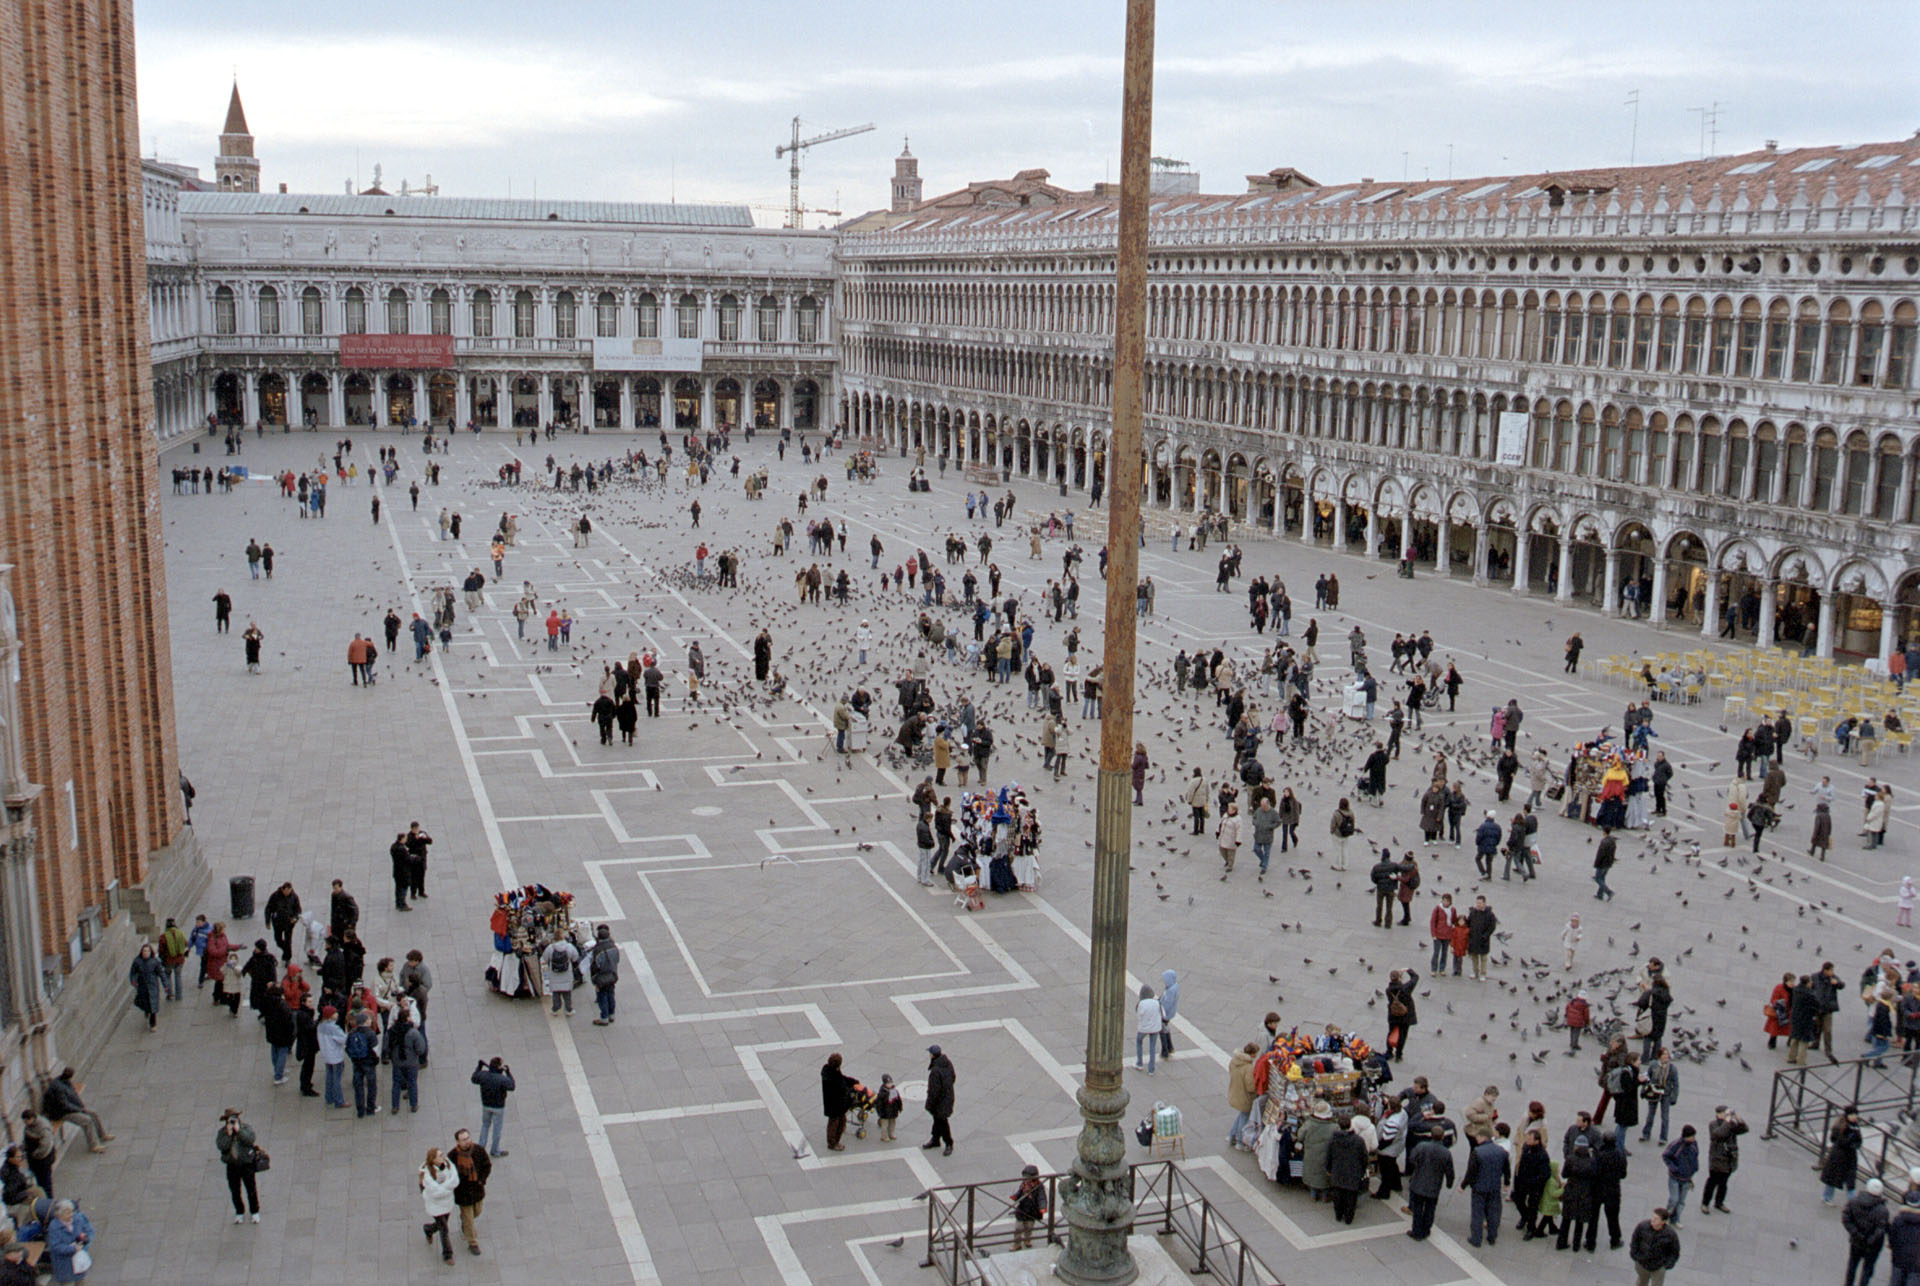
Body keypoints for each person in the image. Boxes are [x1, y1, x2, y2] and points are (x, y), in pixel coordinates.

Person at [41, 1069, 109, 1153]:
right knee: (87, 1121)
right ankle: (94, 1145)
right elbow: (64, 1105)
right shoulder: (59, 1088)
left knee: (93, 1113)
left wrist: (81, 1108)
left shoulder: (63, 1081)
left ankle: (102, 1135)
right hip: (62, 1113)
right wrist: (80, 1110)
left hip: (71, 1108)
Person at [1405, 1126, 1455, 1241]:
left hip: (1418, 1183)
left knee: (1417, 1209)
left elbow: (1412, 1158)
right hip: (1434, 1186)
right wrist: (1449, 1183)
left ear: (1430, 1135)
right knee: (1430, 1209)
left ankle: (1416, 1231)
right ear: (1442, 1137)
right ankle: (1426, 1230)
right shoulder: (1446, 1153)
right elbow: (1449, 1171)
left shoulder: (1421, 1146)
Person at [1462, 1129, 1510, 1247]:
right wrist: (1507, 1182)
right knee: (1493, 1212)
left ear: (1484, 1137)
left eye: (1478, 1137)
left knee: (1477, 1213)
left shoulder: (1477, 1152)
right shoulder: (1502, 1152)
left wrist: (1463, 1185)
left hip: (1479, 1187)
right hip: (1494, 1187)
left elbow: (1471, 1172)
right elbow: (1506, 1169)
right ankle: (1492, 1237)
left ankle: (1476, 1239)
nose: (1476, 1139)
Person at [216, 1107, 264, 1225]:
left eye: (234, 1120)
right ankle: (239, 1212)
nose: (231, 1122)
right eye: (229, 1120)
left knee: (251, 1189)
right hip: (232, 1165)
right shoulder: (223, 1133)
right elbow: (222, 1146)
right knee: (235, 1190)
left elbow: (250, 1139)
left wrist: (239, 1131)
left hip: (246, 1163)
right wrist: (228, 1134)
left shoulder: (245, 1128)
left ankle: (254, 1212)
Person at [1700, 1105, 1747, 1215]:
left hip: (1729, 1160)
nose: (1726, 1116)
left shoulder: (1730, 1124)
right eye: (1724, 1113)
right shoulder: (1713, 1125)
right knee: (1712, 1182)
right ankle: (1705, 1203)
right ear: (1718, 1114)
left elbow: (1744, 1129)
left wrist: (1737, 1117)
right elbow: (1719, 1134)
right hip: (1717, 1159)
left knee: (1723, 1183)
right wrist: (1727, 1121)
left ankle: (1719, 1202)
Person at [419, 1147, 458, 1265]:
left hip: (447, 1203)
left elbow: (455, 1180)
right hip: (435, 1205)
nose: (443, 1157)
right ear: (433, 1159)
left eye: (442, 1154)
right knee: (444, 1229)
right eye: (439, 1156)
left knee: (441, 1225)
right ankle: (447, 1254)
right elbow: (435, 1192)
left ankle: (428, 1229)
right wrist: (447, 1188)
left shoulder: (448, 1165)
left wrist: (444, 1188)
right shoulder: (426, 1173)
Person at [43, 1199, 94, 1283]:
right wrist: (73, 1249)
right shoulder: (54, 1227)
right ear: (59, 1215)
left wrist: (86, 1240)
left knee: (81, 1282)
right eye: (68, 1213)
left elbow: (89, 1230)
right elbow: (56, 1246)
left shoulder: (78, 1218)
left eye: (72, 1211)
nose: (71, 1215)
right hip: (65, 1265)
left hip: (79, 1262)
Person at [1328, 1119, 1369, 1224]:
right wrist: (1362, 1170)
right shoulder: (1358, 1140)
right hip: (1353, 1172)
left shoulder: (1334, 1139)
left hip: (1338, 1171)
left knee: (1338, 1196)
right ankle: (1348, 1218)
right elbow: (1364, 1157)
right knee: (1351, 1197)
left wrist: (1329, 1169)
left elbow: (1329, 1155)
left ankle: (1338, 1215)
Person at [472, 1057, 515, 1157]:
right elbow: (512, 1086)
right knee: (497, 1129)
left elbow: (474, 1078)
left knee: (485, 1125)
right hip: (498, 1107)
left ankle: (481, 1148)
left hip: (486, 1105)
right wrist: (508, 1073)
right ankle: (495, 1150)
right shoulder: (502, 1079)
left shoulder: (483, 1075)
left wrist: (479, 1067)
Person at [1629, 1207, 1681, 1286]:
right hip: (1642, 1263)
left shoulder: (1670, 1235)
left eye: (1656, 1219)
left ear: (1663, 1222)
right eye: (1653, 1217)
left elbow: (1674, 1252)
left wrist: (1666, 1265)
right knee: (1641, 1282)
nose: (1652, 1220)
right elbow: (1635, 1240)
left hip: (1658, 1267)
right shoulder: (1642, 1226)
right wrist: (1635, 1255)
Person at [1825, 1106, 1865, 1205]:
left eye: (1855, 1115)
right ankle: (1827, 1197)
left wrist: (1856, 1144)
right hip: (1839, 1156)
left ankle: (1852, 1203)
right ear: (1847, 1115)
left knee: (1850, 1180)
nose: (1854, 1117)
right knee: (1833, 1178)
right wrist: (1851, 1141)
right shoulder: (1840, 1126)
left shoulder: (1855, 1126)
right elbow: (1838, 1140)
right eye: (1852, 1115)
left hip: (1850, 1157)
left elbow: (1859, 1140)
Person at [922, 1044, 956, 1156]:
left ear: (932, 1055)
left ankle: (948, 1143)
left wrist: (929, 1104)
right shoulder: (947, 1063)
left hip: (940, 1102)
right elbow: (953, 1077)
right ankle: (935, 1139)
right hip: (948, 1097)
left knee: (942, 1122)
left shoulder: (935, 1071)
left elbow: (934, 1091)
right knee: (938, 1120)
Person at [587, 924, 621, 1026]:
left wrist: (594, 979)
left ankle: (604, 1017)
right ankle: (612, 1015)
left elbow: (595, 965)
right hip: (612, 975)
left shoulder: (597, 950)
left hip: (602, 977)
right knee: (611, 994)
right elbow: (617, 960)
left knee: (602, 996)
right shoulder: (614, 947)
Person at [821, 1053, 854, 1151]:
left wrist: (852, 1081)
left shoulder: (829, 1071)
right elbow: (842, 1088)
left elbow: (842, 1078)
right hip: (835, 1105)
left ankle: (835, 1140)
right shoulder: (834, 1078)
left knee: (839, 1121)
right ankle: (833, 1143)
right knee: (835, 1123)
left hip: (833, 1104)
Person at [128, 943, 164, 1031]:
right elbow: (133, 973)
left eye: (147, 951)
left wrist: (166, 985)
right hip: (142, 986)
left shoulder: (155, 962)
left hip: (152, 986)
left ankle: (153, 1024)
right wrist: (133, 981)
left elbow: (161, 973)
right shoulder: (137, 961)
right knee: (144, 1002)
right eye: (144, 951)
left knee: (153, 1005)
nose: (146, 953)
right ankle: (146, 1010)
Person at [543, 935, 579, 1016]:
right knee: (567, 993)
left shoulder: (550, 948)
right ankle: (568, 1009)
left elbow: (545, 958)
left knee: (556, 993)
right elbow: (575, 957)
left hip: (554, 973)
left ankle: (555, 1009)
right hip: (566, 973)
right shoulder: (569, 947)